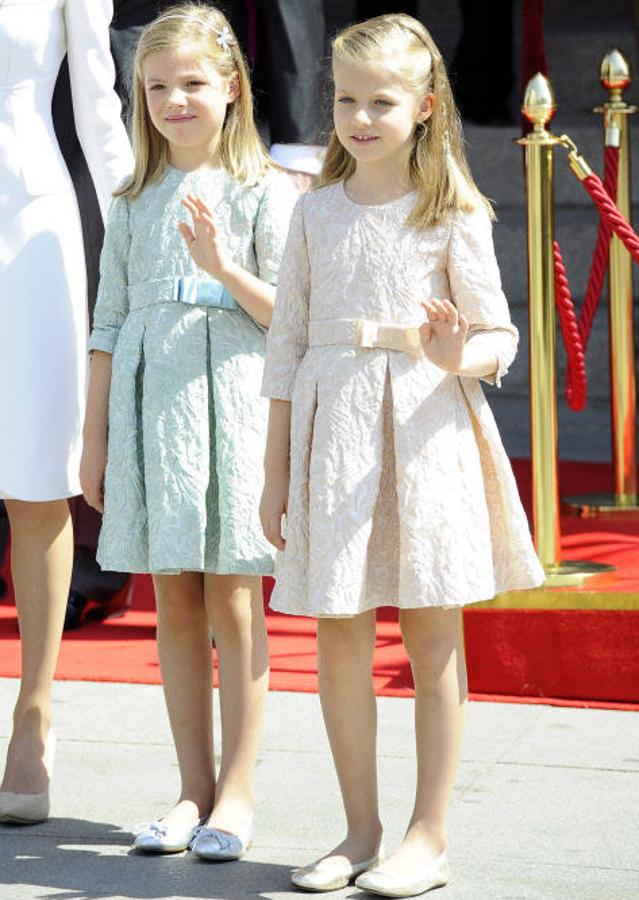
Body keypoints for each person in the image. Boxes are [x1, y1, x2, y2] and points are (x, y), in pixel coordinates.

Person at [260, 13, 544, 897]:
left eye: (380, 101)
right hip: (334, 432)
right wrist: (274, 471)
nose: (359, 117)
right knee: (339, 629)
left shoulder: (449, 208)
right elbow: (286, 346)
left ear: (423, 107)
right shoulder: (312, 211)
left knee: (430, 632)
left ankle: (428, 833)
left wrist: (460, 353)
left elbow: (500, 334)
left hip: (424, 433)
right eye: (344, 99)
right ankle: (357, 828)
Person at [80, 3, 296, 858]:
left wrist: (221, 269)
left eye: (193, 83)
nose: (175, 100)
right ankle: (188, 789)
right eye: (159, 85)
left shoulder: (266, 189)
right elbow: (105, 323)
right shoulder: (134, 198)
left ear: (233, 88)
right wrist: (93, 438)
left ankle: (236, 794)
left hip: (234, 403)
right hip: (149, 408)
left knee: (235, 601)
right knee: (173, 599)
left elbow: (289, 316)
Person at [0, 0, 132, 824]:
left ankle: (34, 712)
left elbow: (99, 107)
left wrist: (138, 231)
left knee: (36, 476)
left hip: (28, 226)